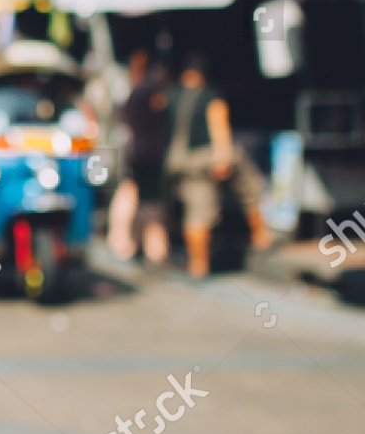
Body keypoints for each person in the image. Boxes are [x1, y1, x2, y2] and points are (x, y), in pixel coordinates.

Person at [163, 53, 272, 278]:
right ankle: (261, 236)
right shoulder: (210, 95)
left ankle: (198, 265)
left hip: (182, 162)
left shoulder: (172, 96)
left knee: (196, 211)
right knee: (250, 187)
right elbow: (219, 125)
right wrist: (223, 156)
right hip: (208, 156)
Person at [107, 50, 170, 264]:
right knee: (145, 199)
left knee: (138, 197)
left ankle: (136, 243)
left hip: (136, 152)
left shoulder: (134, 91)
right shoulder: (149, 91)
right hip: (148, 154)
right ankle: (146, 246)